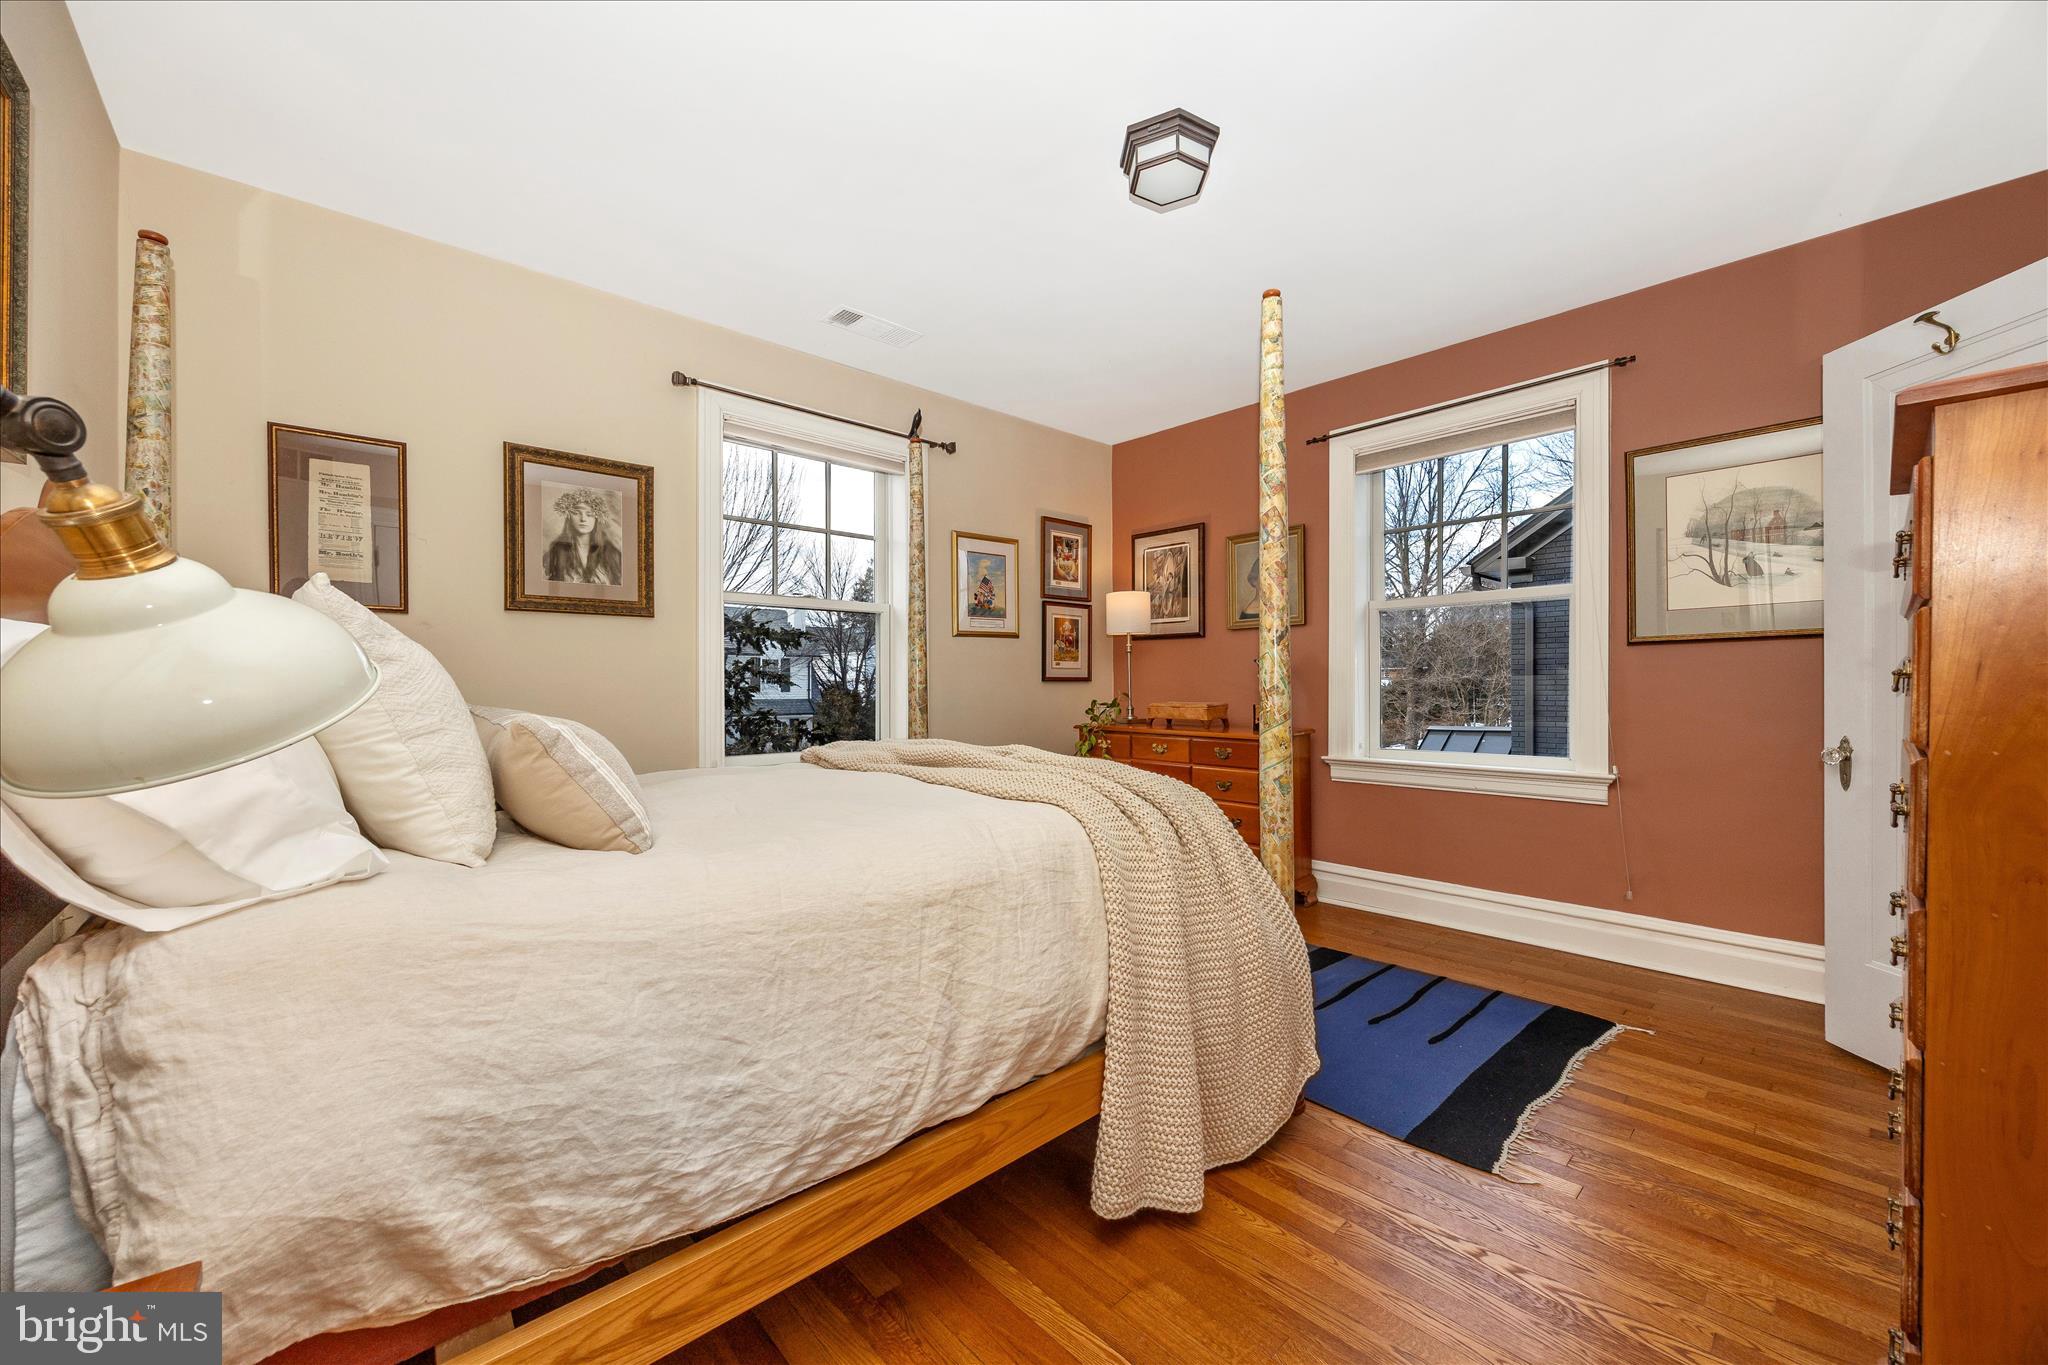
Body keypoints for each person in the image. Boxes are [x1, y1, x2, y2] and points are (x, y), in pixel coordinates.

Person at [544, 488, 624, 585]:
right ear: (568, 517)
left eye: (589, 514)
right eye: (576, 513)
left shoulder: (611, 552)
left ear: (596, 519)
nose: (583, 519)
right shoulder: (557, 550)